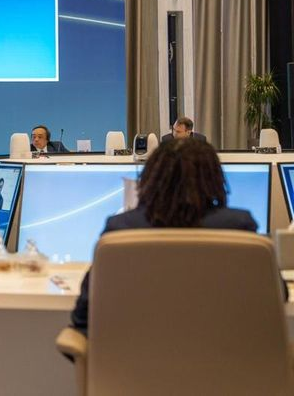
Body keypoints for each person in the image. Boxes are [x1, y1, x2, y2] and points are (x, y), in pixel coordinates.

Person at [70, 138, 278, 337]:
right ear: (214, 178)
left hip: (136, 360)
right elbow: (278, 296)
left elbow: (83, 313)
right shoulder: (239, 227)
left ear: (151, 179)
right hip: (228, 358)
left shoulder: (122, 229)